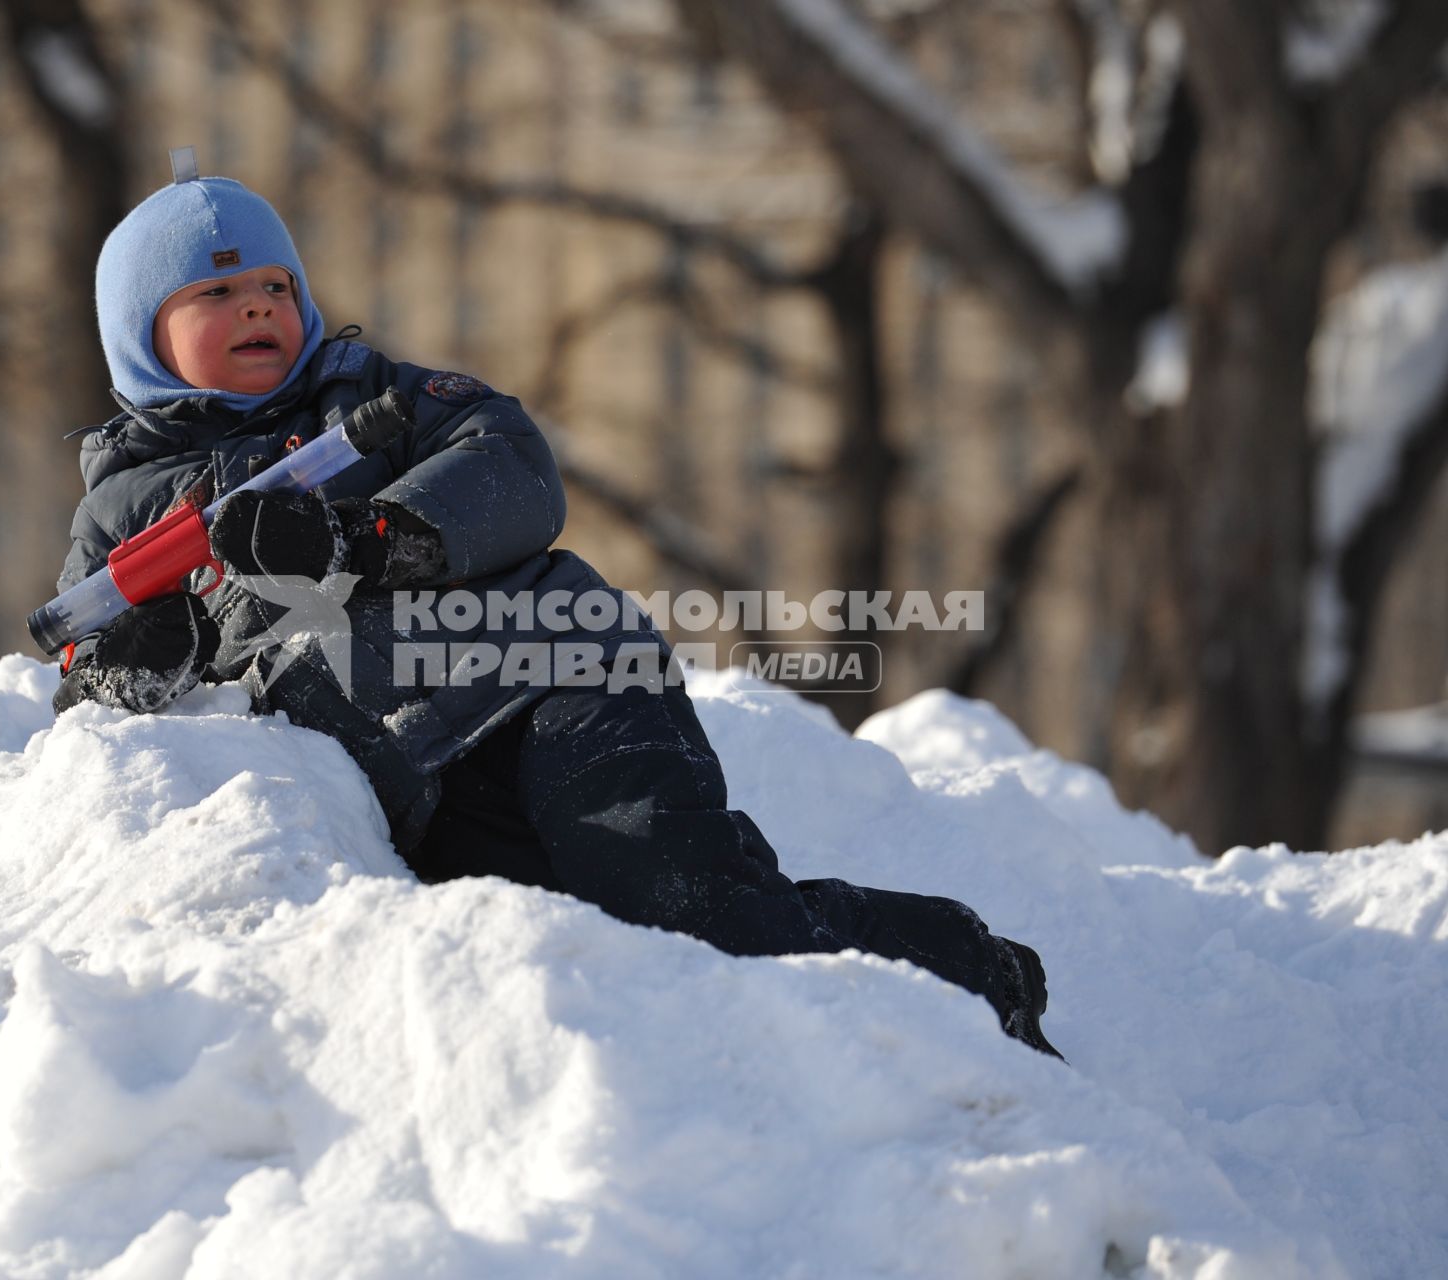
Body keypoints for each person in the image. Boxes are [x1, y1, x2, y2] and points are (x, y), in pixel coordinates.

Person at [53, 161, 1061, 1058]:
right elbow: (76, 699)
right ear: (141, 334)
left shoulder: (376, 405)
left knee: (687, 913)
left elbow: (511, 463)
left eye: (277, 285)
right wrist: (138, 656)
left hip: (555, 681)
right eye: (218, 291)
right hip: (419, 782)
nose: (259, 306)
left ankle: (968, 969)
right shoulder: (117, 514)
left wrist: (366, 536)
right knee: (592, 955)